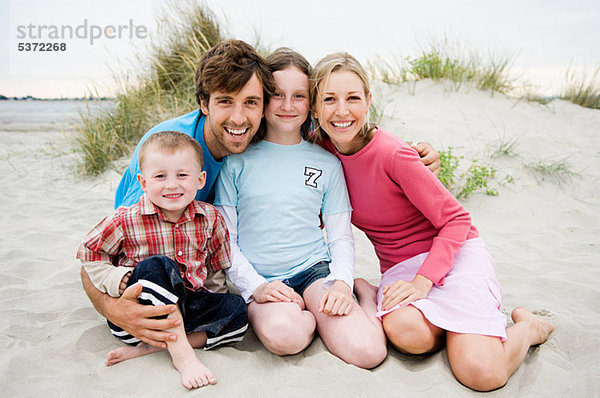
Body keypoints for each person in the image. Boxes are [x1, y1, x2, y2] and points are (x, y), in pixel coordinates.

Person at [80, 39, 440, 351]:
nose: (239, 117)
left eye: (251, 102)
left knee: (357, 345)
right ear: (204, 104)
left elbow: (344, 131)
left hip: (284, 269)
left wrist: (411, 155)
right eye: (226, 102)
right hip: (172, 270)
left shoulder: (296, 142)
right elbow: (108, 245)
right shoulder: (169, 155)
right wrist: (112, 309)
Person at [309, 52, 554, 391]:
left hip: (453, 256)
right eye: (329, 99)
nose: (341, 111)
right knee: (409, 336)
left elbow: (456, 220)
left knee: (481, 374)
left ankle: (527, 327)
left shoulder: (394, 154)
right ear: (315, 107)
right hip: (401, 268)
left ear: (368, 100)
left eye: (353, 98)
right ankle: (456, 326)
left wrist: (424, 282)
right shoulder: (319, 154)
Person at [213, 48, 386, 368]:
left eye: (300, 96)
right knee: (285, 338)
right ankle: (309, 318)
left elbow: (339, 238)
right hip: (261, 279)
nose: (288, 105)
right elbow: (226, 240)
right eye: (277, 95)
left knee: (369, 352)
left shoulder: (327, 163)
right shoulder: (236, 161)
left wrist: (344, 284)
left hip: (315, 273)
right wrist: (258, 287)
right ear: (263, 99)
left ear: (313, 102)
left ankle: (364, 298)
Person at [77, 131, 248, 389]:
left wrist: (216, 302)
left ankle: (154, 349)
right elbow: (89, 254)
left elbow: (214, 269)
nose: (171, 185)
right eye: (160, 176)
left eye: (182, 175)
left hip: (186, 312)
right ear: (143, 183)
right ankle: (182, 356)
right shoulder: (126, 219)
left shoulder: (210, 218)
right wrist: (116, 279)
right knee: (158, 265)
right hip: (140, 319)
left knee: (237, 310)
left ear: (200, 179)